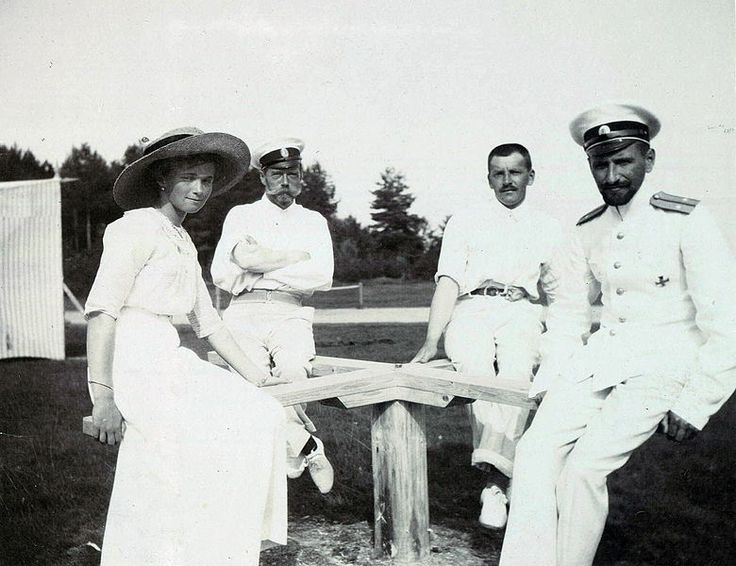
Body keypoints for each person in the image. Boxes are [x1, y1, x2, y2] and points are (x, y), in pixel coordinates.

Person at [500, 104, 736, 566]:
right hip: (599, 362)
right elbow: (569, 312)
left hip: (665, 367)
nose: (611, 175)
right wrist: (552, 380)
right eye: (600, 163)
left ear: (648, 159)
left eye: (622, 160)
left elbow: (725, 318)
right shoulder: (588, 229)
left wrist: (698, 401)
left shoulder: (686, 219)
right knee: (531, 453)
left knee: (583, 471)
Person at [85, 127, 288, 566]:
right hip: (135, 361)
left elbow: (208, 322)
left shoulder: (182, 239)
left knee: (261, 412)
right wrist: (102, 396)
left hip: (168, 357)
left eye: (208, 180)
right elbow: (103, 312)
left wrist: (260, 378)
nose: (199, 189)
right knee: (211, 436)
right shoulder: (134, 228)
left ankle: (214, 551)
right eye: (188, 177)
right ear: (162, 178)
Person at [410, 143, 564, 528]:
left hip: (521, 310)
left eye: (515, 172)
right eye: (499, 173)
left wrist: (562, 338)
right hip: (472, 309)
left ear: (531, 176)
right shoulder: (465, 220)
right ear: (489, 178)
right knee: (476, 372)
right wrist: (432, 340)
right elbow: (448, 281)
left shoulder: (548, 226)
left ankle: (493, 484)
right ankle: (502, 479)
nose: (507, 180)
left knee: (515, 375)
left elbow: (561, 291)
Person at [211, 138, 335, 494]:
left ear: (301, 176)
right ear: (262, 177)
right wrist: (293, 257)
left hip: (289, 311)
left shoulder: (314, 222)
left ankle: (290, 451)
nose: (285, 181)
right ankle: (307, 447)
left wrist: (259, 264)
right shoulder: (241, 215)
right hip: (243, 312)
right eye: (277, 174)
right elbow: (224, 272)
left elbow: (321, 276)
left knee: (295, 373)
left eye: (292, 174)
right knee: (252, 383)